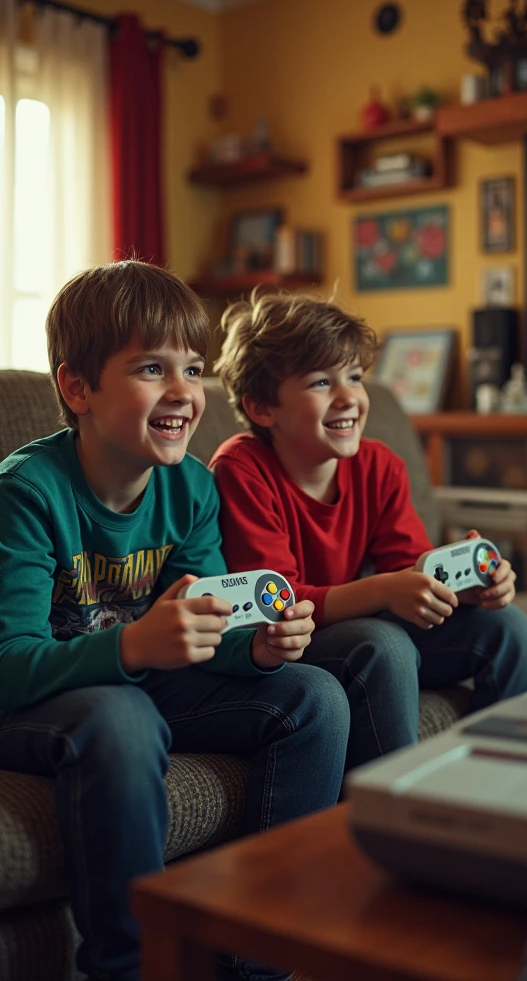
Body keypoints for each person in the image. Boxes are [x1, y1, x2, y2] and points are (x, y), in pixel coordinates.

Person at [0, 262, 350, 981]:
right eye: (152, 369)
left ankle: (260, 958)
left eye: (193, 370)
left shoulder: (190, 486)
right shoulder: (27, 492)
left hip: (137, 678)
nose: (185, 393)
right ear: (77, 388)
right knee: (123, 715)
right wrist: (133, 644)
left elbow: (204, 628)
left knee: (314, 696)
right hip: (41, 696)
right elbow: (10, 661)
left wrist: (254, 651)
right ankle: (131, 968)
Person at [211, 289, 527, 775]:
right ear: (263, 408)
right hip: (286, 644)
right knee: (381, 642)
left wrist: (464, 590)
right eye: (321, 382)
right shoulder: (241, 469)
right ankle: (394, 810)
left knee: (508, 627)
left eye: (355, 377)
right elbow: (276, 604)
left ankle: (511, 788)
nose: (349, 398)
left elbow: (408, 569)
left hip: (353, 627)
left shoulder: (379, 465)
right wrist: (388, 589)